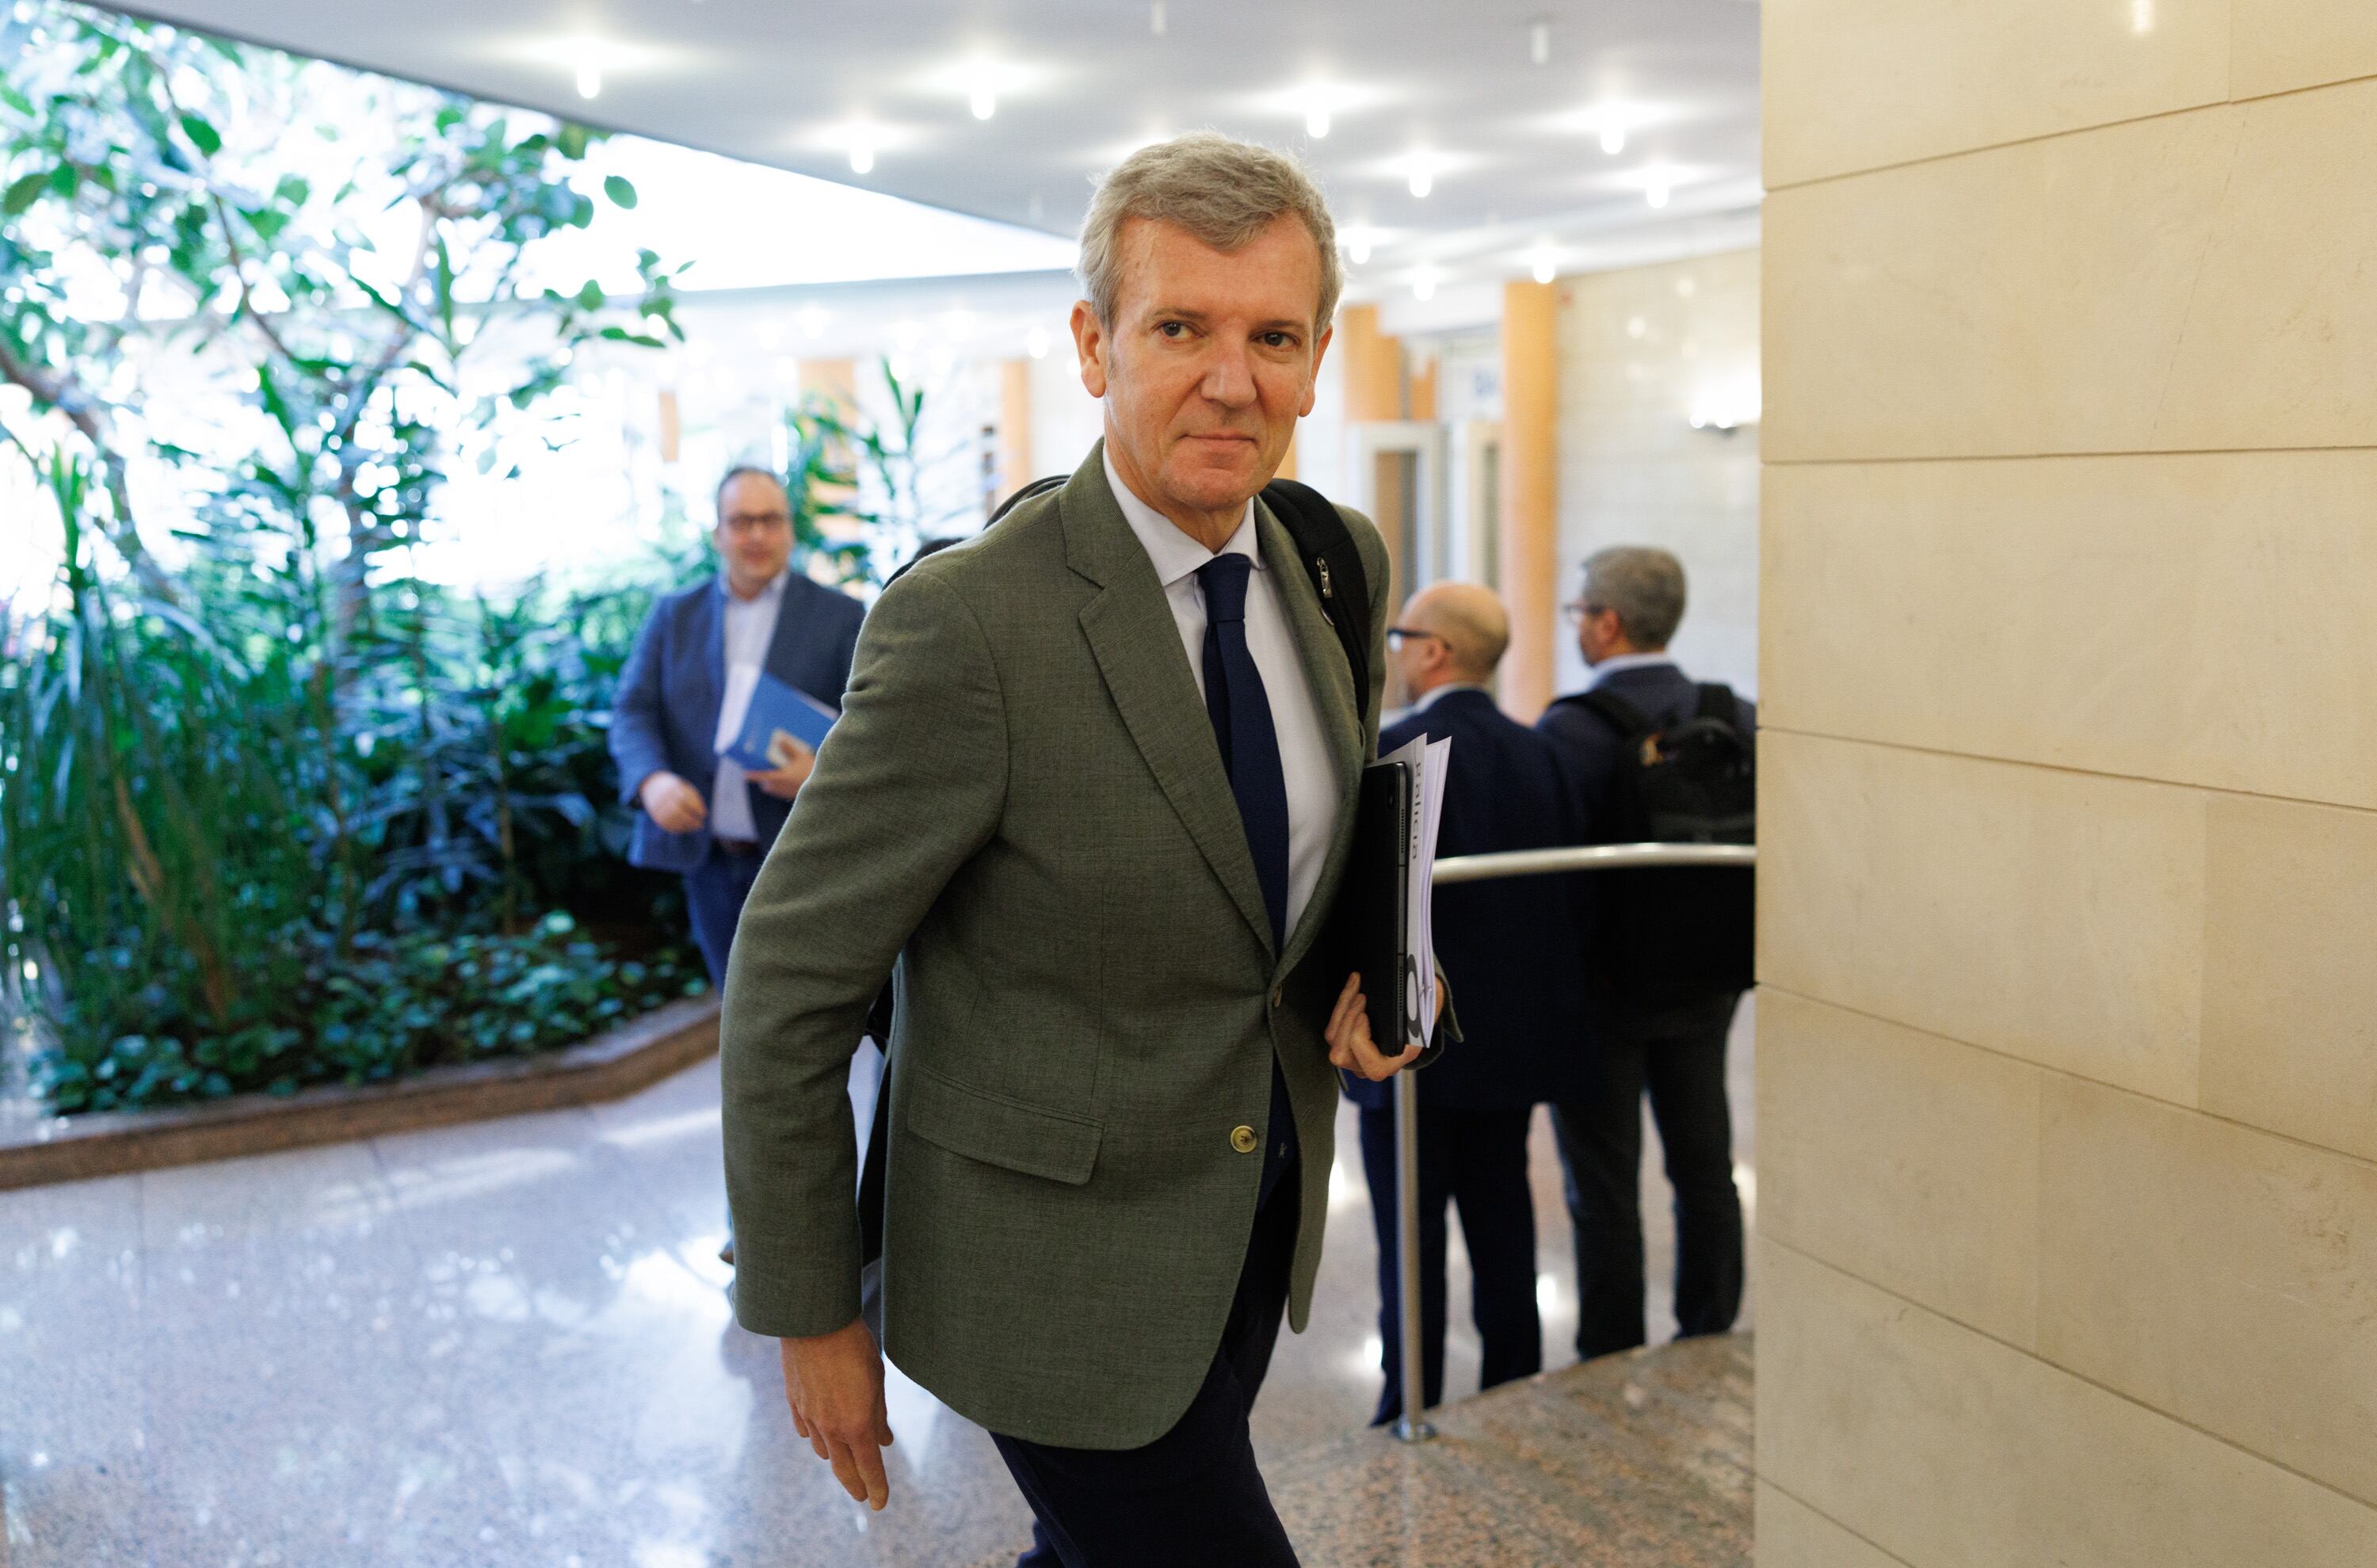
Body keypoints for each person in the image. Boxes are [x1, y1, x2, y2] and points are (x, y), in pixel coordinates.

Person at [719, 133, 1435, 1568]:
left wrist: (1387, 979)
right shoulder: (970, 623)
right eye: (1180, 328)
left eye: (1272, 336)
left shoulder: (1334, 561)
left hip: (1247, 1221)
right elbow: (790, 981)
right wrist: (811, 1308)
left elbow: (1305, 861)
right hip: (1043, 1274)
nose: (1231, 379)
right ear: (1095, 344)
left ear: (1317, 360)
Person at [1356, 582, 1589, 1425]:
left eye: (1400, 636)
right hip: (1512, 1041)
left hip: (1410, 1042)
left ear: (1434, 651)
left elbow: (1366, 909)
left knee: (1410, 1237)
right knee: (1503, 1224)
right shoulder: (1543, 752)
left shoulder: (1394, 751)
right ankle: (1513, 1387)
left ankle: (1409, 1398)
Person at [1536, 545, 1751, 1360]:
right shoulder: (1737, 715)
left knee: (1604, 1184)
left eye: (1579, 612)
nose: (1578, 626)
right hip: (1709, 980)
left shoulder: (1571, 730)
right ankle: (1709, 1330)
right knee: (1705, 1165)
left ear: (1608, 623)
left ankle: (1611, 1347)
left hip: (1604, 993)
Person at [608, 467, 864, 991]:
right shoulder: (674, 616)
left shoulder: (842, 617)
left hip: (801, 856)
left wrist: (824, 773)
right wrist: (651, 780)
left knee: (804, 1012)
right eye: (741, 521)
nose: (756, 535)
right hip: (709, 859)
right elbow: (632, 709)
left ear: (790, 530)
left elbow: (874, 727)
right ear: (717, 534)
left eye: (770, 520)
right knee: (735, 1008)